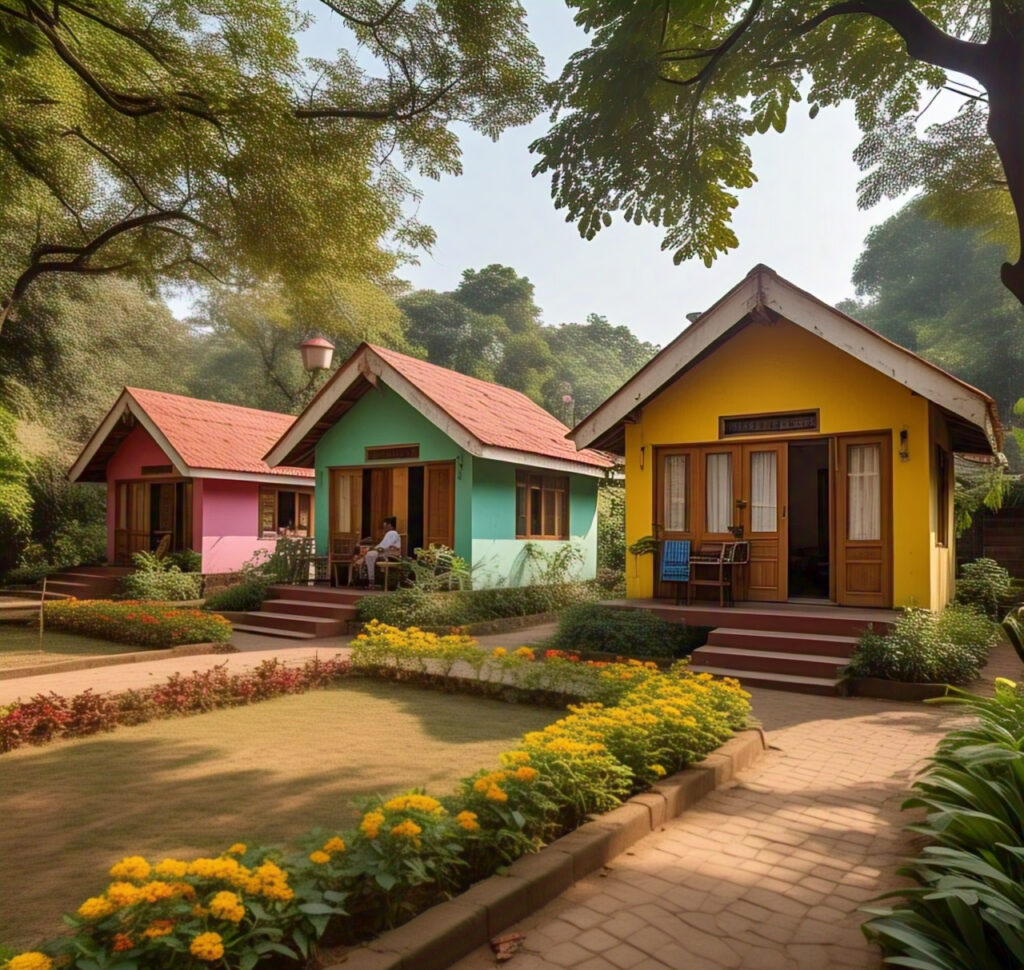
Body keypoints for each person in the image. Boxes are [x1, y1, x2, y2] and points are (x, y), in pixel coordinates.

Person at [362, 517, 401, 588]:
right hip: (386, 552)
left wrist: (374, 549)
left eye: (385, 525)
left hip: (389, 553)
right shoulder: (391, 533)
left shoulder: (392, 533)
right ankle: (369, 580)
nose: (384, 527)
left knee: (370, 555)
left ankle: (371, 581)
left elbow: (384, 546)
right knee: (369, 554)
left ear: (389, 525)